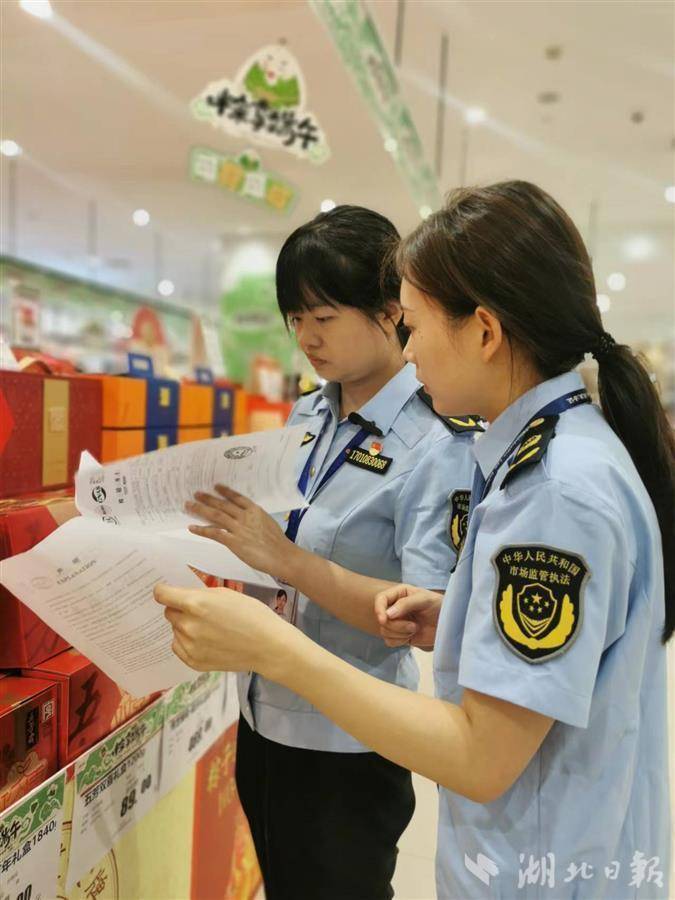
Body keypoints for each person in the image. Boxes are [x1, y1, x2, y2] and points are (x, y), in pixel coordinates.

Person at [156, 182, 673, 899]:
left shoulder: (553, 489)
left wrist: (274, 648)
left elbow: (481, 757)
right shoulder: (552, 458)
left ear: (484, 332)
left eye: (417, 323)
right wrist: (458, 614)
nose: (412, 346)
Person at [181, 204, 479, 900]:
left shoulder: (437, 442)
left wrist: (285, 559)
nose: (306, 338)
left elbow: (420, 616)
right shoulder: (309, 413)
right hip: (261, 711)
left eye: (323, 316)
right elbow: (276, 537)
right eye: (295, 319)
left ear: (390, 311)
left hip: (348, 740)